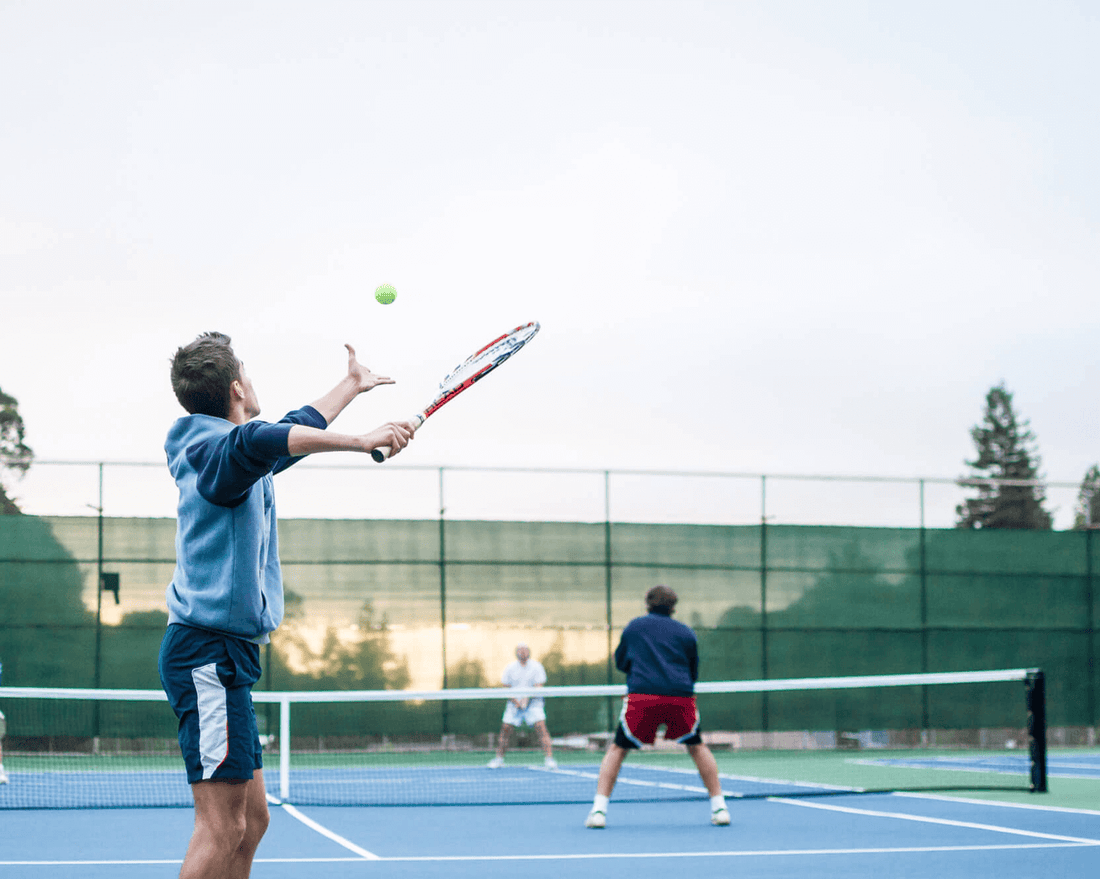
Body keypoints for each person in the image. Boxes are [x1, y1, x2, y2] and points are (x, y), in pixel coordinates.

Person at [158, 332, 417, 879]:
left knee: (252, 822)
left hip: (228, 655)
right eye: (248, 374)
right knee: (221, 827)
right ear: (236, 388)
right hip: (206, 654)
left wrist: (349, 387)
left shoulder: (230, 455)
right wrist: (362, 440)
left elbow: (283, 432)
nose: (254, 383)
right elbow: (262, 439)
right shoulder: (217, 453)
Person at [585, 585, 729, 829]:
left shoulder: (634, 627)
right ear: (674, 606)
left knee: (618, 749)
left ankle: (599, 811)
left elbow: (621, 662)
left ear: (647, 603)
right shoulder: (686, 633)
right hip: (680, 697)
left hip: (643, 697)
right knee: (697, 746)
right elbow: (692, 670)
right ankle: (720, 807)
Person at [487, 643, 557, 770]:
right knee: (505, 729)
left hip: (534, 704)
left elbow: (538, 685)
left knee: (541, 727)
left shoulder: (537, 666)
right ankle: (499, 759)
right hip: (514, 705)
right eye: (520, 650)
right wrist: (517, 702)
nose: (523, 653)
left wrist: (526, 699)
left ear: (529, 652)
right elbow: (506, 687)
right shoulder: (510, 668)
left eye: (525, 650)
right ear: (517, 652)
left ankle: (549, 759)